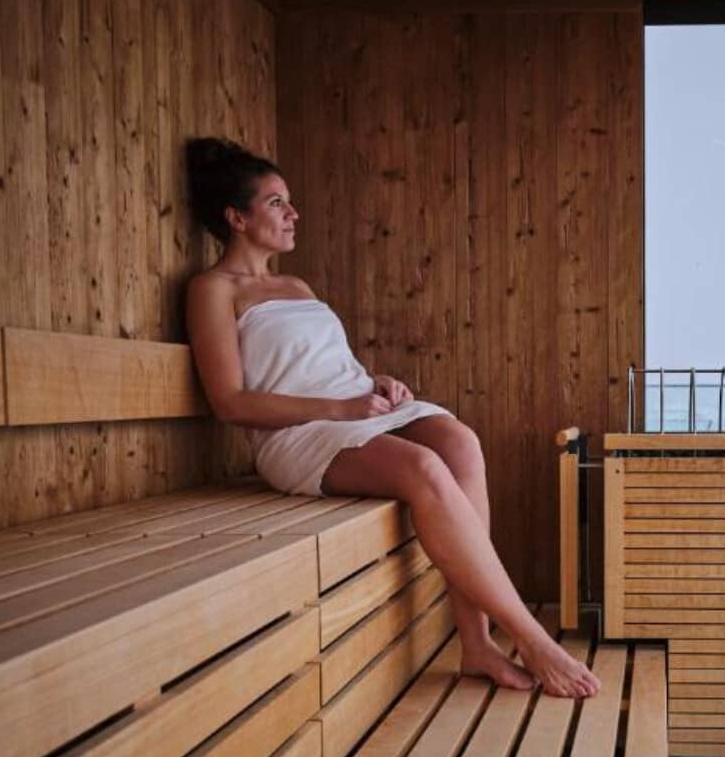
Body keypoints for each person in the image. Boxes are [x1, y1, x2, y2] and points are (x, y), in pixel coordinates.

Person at [183, 137, 600, 699]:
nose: (293, 213)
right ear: (236, 217)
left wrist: (373, 381)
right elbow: (230, 402)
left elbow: (327, 365)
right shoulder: (212, 291)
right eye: (277, 202)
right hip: (298, 434)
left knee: (460, 442)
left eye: (289, 202)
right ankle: (530, 636)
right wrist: (341, 407)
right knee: (424, 468)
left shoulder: (296, 287)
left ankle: (476, 641)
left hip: (355, 408)